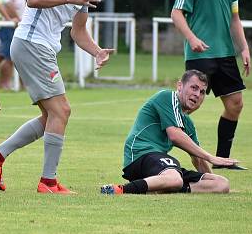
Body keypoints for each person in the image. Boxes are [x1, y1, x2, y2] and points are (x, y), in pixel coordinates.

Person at [0, 0, 116, 194]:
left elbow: (78, 31)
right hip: (32, 43)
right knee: (62, 111)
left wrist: (97, 52)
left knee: (51, 116)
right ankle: (48, 182)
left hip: (40, 47)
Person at [171, 0, 251, 170]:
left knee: (235, 104)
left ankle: (223, 160)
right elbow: (176, 13)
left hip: (225, 54)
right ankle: (154, 144)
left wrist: (244, 48)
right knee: (187, 108)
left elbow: (234, 19)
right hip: (200, 54)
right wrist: (192, 38)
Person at [99, 70, 239, 195]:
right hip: (140, 155)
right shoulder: (167, 97)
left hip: (158, 166)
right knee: (175, 179)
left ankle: (163, 187)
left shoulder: (188, 123)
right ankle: (119, 189)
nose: (197, 94)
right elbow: (175, 135)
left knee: (221, 183)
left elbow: (198, 159)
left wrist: (210, 182)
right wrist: (211, 157)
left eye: (202, 92)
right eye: (194, 88)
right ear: (180, 86)